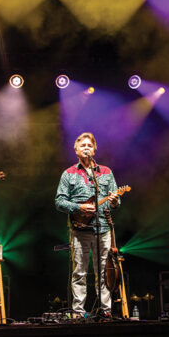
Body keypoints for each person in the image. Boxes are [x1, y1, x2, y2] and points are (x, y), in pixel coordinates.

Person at [55, 132, 120, 318]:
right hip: (80, 230)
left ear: (95, 149)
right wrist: (78, 207)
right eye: (82, 145)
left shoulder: (106, 172)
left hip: (103, 229)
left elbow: (116, 204)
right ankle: (78, 312)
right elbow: (59, 202)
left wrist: (114, 201)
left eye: (89, 145)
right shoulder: (69, 174)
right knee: (80, 272)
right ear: (76, 150)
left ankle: (105, 311)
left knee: (104, 272)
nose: (86, 148)